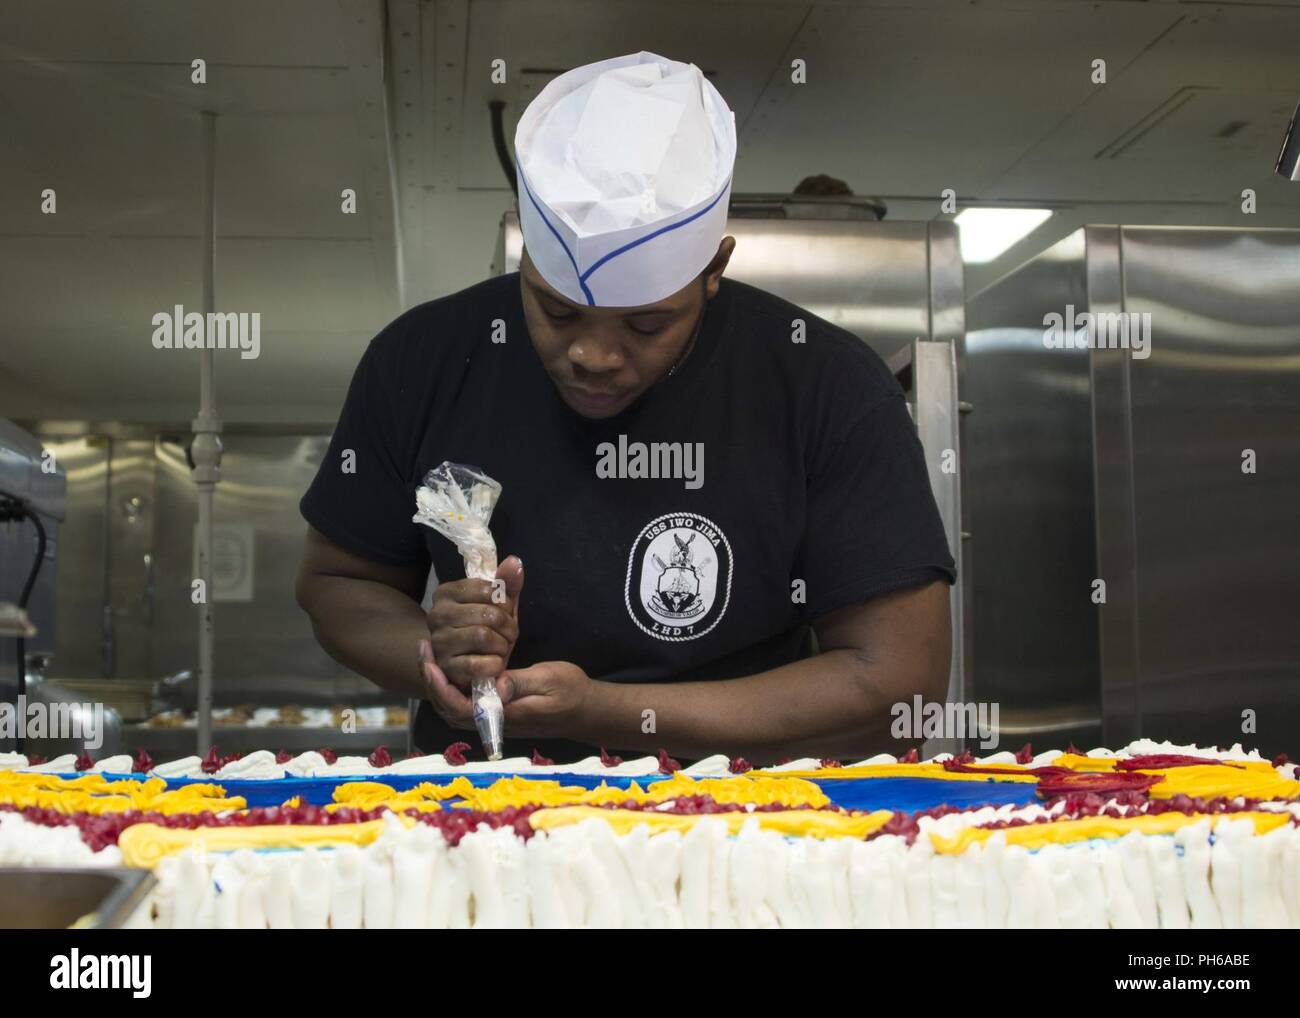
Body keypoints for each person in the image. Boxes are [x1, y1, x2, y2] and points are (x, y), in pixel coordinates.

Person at [295, 52, 955, 763]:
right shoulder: (421, 359)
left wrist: (613, 713)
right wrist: (437, 651)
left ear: (714, 271)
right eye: (557, 311)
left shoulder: (825, 384)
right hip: (479, 806)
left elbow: (896, 680)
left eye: (644, 325)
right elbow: (340, 582)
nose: (594, 356)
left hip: (744, 821)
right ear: (525, 259)